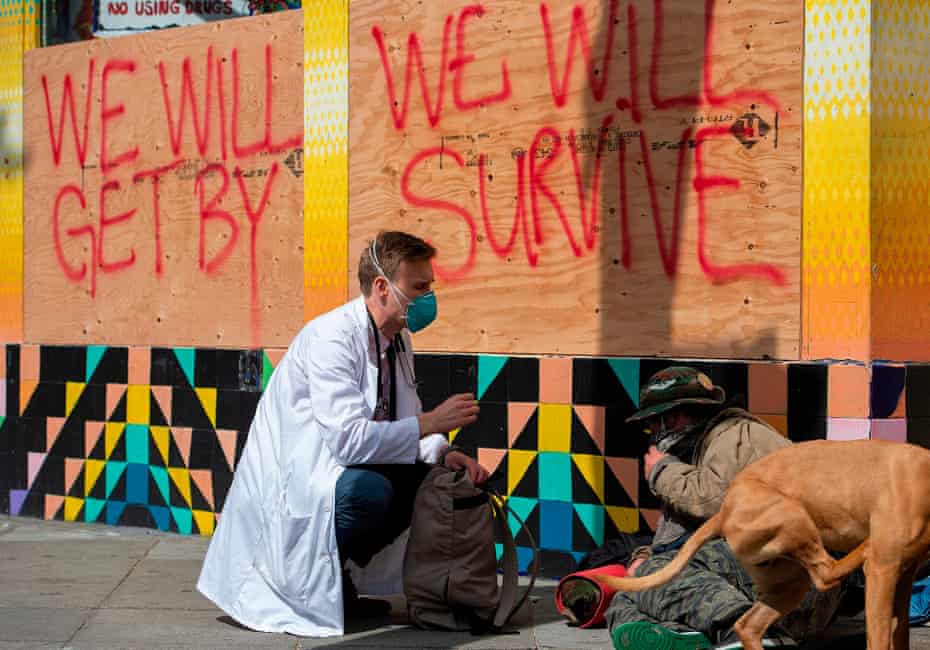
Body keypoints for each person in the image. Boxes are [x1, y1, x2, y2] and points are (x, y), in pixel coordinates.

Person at [197, 231, 490, 637]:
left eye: (430, 286)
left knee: (431, 483)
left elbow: (403, 418)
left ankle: (337, 581)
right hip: (303, 479)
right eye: (419, 287)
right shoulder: (332, 337)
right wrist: (430, 424)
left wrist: (443, 452)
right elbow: (349, 440)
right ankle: (304, 581)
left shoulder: (397, 338)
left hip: (344, 470)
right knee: (370, 493)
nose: (428, 297)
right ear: (383, 288)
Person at [607, 367, 842, 649]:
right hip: (753, 574)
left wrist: (661, 472)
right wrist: (643, 557)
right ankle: (682, 638)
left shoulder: (737, 436)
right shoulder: (697, 452)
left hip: (794, 578)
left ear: (683, 413)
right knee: (630, 590)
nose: (655, 431)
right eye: (652, 424)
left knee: (661, 570)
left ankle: (751, 632)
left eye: (661, 420)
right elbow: (681, 536)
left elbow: (714, 503)